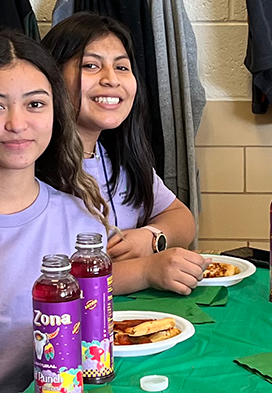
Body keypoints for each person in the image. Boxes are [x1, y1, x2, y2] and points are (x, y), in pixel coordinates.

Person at [0, 31, 201, 393]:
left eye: (35, 105)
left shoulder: (79, 216)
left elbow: (91, 338)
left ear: (57, 110)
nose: (17, 123)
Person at [42, 13, 205, 292]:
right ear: (52, 77)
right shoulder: (26, 168)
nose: (111, 80)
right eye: (91, 65)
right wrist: (144, 271)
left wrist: (152, 238)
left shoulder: (120, 157)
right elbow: (41, 280)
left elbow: (181, 217)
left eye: (122, 67)